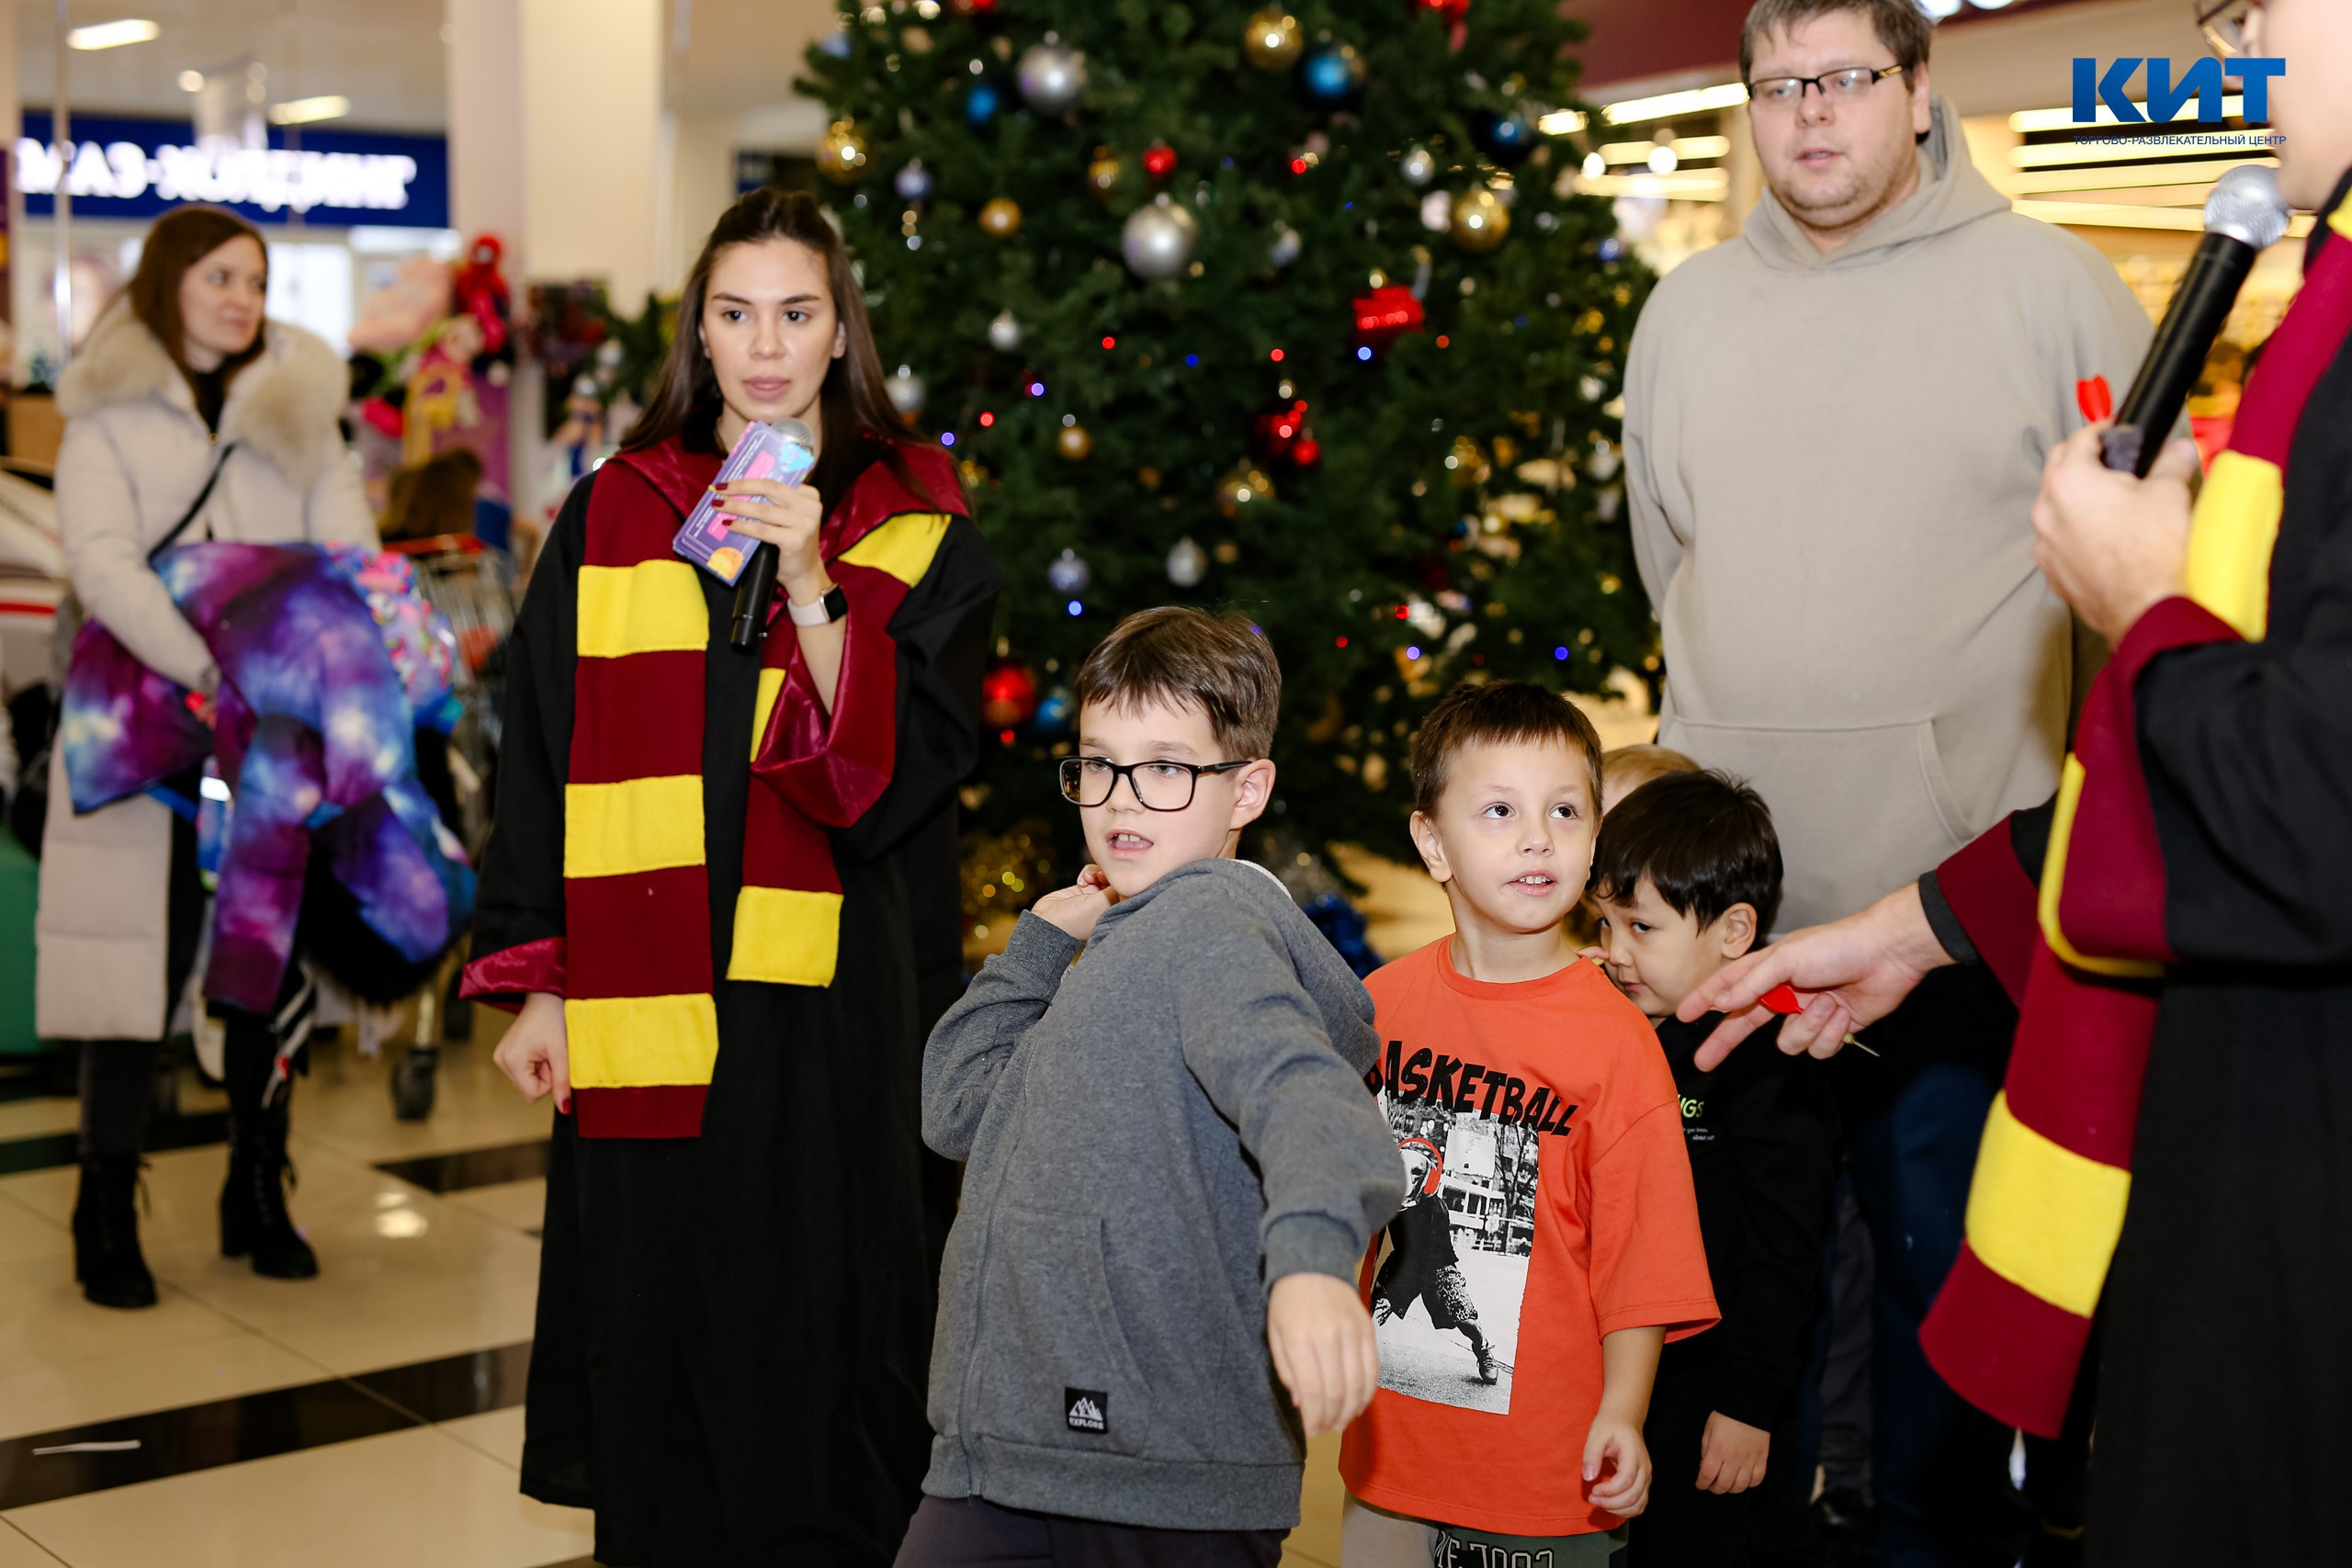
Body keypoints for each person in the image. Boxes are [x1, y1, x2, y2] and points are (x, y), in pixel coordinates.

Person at [1688, 4, 2352, 1562]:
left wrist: (2143, 608)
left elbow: (2313, 793)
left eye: (2265, 3)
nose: (2245, 42)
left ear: (1920, 96)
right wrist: (1929, 920)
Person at [1619, 3, 2154, 1558]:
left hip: (1961, 927)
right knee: (1723, 1355)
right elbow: (1671, 561)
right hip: (1729, 947)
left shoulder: (2055, 294)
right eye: (1776, 87)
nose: (1809, 117)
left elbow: (2142, 595)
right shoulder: (1687, 313)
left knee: (1948, 1343)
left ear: (1920, 91)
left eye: (1845, 79)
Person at [465, 187, 999, 1567]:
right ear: (699, 331)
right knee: (664, 1304)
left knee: (829, 1307)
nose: (766, 345)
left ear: (840, 332)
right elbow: (541, 748)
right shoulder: (616, 510)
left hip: (833, 995)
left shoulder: (914, 515)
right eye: (735, 312)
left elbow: (900, 774)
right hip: (649, 985)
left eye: (797, 313)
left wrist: (814, 575)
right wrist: (543, 982)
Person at [905, 607, 1400, 1568]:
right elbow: (958, 1107)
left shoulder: (1206, 923)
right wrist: (1041, 944)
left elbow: (1308, 1096)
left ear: (1246, 789)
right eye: (1097, 764)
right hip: (1011, 1448)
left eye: (1167, 768)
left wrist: (1308, 1261)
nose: (1121, 800)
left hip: (1149, 1477)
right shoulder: (1124, 939)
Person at [38, 205, 376, 1309]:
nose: (241, 297)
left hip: (268, 720)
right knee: (133, 956)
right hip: (143, 716)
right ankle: (102, 1200)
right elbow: (98, 559)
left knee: (264, 958)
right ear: (170, 280)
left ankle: (255, 1184)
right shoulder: (103, 412)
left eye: (256, 279)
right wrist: (210, 660)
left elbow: (349, 551)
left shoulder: (302, 413)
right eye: (220, 276)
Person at [1340, 682, 1718, 1568]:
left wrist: (1623, 1413)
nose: (1537, 837)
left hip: (1548, 1478)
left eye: (1564, 810)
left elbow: (1645, 1262)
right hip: (1390, 1456)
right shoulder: (1375, 1009)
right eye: (1500, 809)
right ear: (1433, 841)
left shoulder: (1618, 1043)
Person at [1589, 772, 1836, 1568]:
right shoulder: (1623, 1024)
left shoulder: (1774, 1059)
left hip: (1719, 1391)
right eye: (1604, 922)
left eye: (1642, 927)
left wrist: (1748, 1403)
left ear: (1734, 931)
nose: (1614, 953)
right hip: (1629, 1376)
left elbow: (1786, 1247)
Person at [1371, 1139, 1499, 1383]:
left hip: (1437, 1268)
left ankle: (1482, 1347)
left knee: (1463, 1316)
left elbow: (1423, 1260)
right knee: (1368, 1294)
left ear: (1428, 1179)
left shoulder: (1435, 1209)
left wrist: (1395, 1297)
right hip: (1401, 1260)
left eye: (1416, 1172)